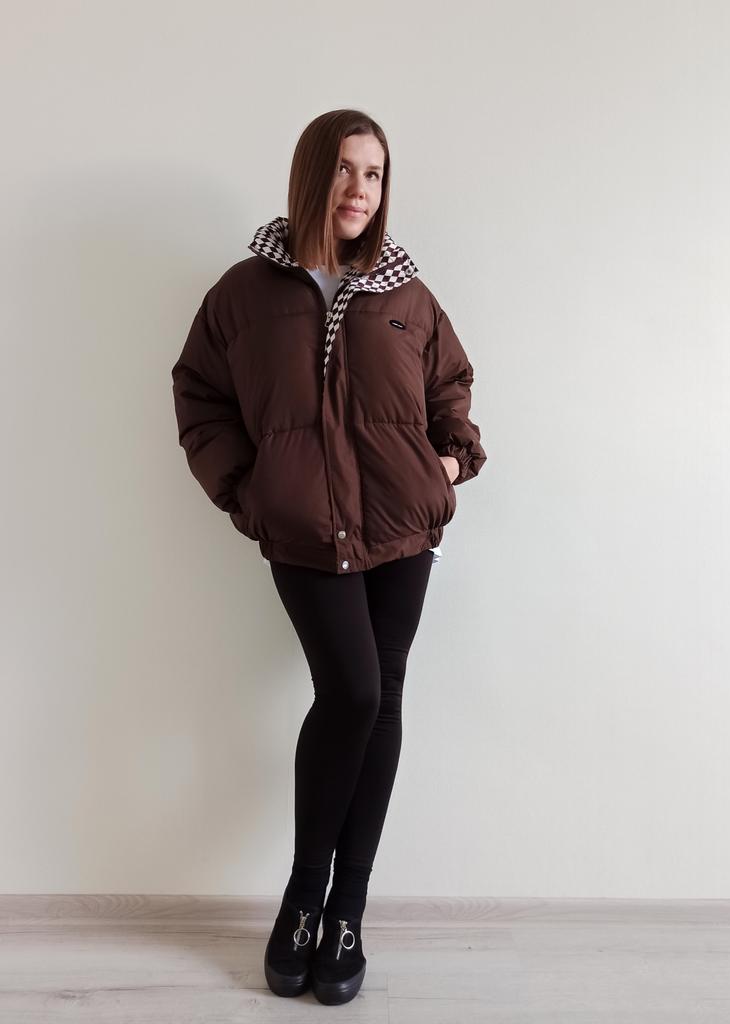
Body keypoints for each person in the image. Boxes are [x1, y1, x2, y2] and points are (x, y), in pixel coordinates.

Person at [171, 108, 487, 1006]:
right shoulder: (243, 293)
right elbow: (198, 395)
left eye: (375, 173)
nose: (361, 189)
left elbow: (452, 387)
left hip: (401, 533)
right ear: (313, 174)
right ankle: (303, 897)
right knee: (351, 692)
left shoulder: (406, 293)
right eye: (346, 169)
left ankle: (345, 913)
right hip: (307, 533)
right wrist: (250, 490)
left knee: (381, 699)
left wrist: (449, 461)